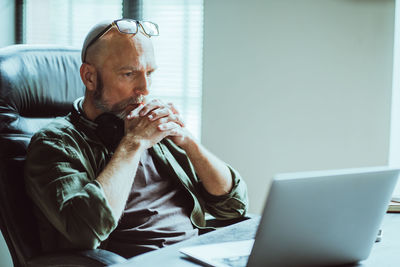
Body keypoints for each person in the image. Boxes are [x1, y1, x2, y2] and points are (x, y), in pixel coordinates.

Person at [24, 19, 248, 258]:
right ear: (89, 77)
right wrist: (133, 144)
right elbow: (86, 230)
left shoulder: (153, 128)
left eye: (149, 73)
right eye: (129, 74)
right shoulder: (55, 143)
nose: (145, 88)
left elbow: (233, 206)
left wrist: (186, 140)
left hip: (191, 255)